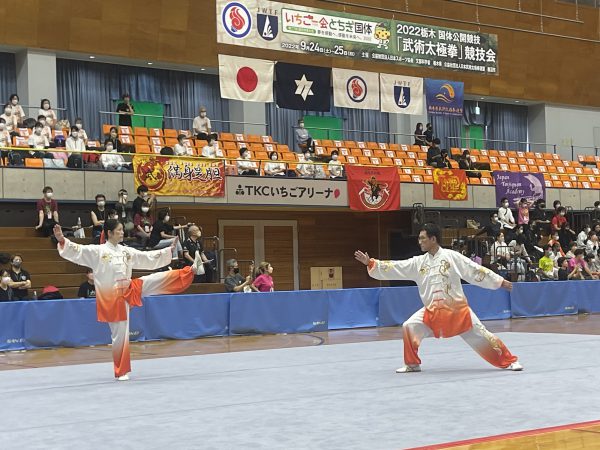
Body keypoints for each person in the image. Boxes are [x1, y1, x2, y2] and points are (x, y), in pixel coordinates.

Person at [354, 223, 522, 373]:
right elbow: (397, 266)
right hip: (431, 311)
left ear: (433, 239)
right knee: (409, 326)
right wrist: (371, 263)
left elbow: (474, 270)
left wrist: (499, 281)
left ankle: (509, 361)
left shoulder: (452, 257)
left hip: (458, 311)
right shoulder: (418, 262)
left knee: (483, 335)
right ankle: (412, 364)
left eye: (422, 238)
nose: (419, 241)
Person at [54, 220, 205, 380]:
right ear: (110, 233)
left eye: (121, 230)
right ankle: (121, 371)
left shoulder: (126, 251)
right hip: (112, 298)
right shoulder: (97, 251)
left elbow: (146, 257)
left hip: (129, 288)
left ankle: (192, 270)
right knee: (120, 335)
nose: (122, 232)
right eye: (119, 230)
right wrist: (62, 240)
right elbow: (78, 250)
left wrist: (168, 251)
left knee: (155, 279)